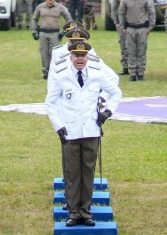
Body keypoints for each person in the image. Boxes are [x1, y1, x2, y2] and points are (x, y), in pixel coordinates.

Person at [45, 41, 122, 227]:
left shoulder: (97, 75)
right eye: (76, 56)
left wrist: (107, 112)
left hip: (91, 130)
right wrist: (58, 125)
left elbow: (116, 92)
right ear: (70, 56)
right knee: (72, 174)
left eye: (83, 55)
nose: (80, 59)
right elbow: (50, 102)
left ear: (87, 56)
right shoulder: (61, 76)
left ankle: (85, 212)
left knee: (88, 173)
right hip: (70, 132)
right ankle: (73, 212)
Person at [118, 0, 155, 81]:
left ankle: (141, 73)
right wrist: (122, 26)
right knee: (131, 51)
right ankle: (133, 73)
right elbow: (121, 14)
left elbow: (152, 13)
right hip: (130, 28)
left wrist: (150, 27)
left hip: (142, 28)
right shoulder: (125, 0)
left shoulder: (145, 0)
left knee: (141, 51)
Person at [32, 0, 72, 79]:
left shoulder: (60, 7)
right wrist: (34, 32)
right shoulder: (40, 7)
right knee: (44, 52)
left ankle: (54, 71)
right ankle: (45, 72)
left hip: (55, 33)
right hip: (43, 32)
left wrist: (64, 32)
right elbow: (34, 19)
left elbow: (69, 19)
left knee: (55, 53)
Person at [110, 0, 133, 75]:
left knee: (134, 47)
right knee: (124, 46)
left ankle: (135, 68)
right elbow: (114, 10)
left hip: (134, 24)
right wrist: (116, 22)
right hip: (122, 25)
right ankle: (125, 68)